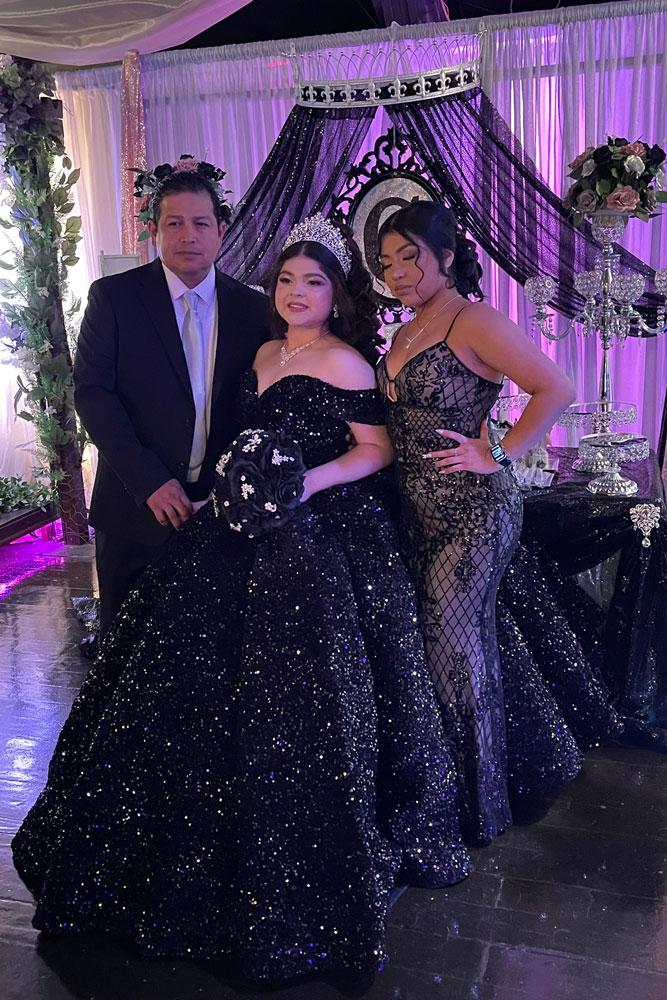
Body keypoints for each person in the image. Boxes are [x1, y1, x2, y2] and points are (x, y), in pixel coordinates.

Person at [12, 215, 470, 980]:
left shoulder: (348, 363)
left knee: (298, 685)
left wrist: (300, 487)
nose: (297, 293)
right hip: (239, 523)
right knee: (185, 666)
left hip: (318, 531)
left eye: (314, 281)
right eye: (287, 280)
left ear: (336, 293)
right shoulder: (262, 352)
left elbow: (375, 450)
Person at [376, 200, 619, 843]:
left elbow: (557, 387)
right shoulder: (405, 330)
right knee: (437, 652)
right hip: (416, 511)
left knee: (457, 647)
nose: (398, 273)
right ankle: (444, 791)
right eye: (387, 262)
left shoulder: (472, 319)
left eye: (410, 257)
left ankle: (477, 807)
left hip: (474, 510)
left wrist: (498, 450)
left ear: (446, 258)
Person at [73, 161, 270, 637]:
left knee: (211, 657)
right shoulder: (113, 298)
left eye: (201, 223)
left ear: (221, 231)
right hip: (134, 512)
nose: (188, 235)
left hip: (219, 514)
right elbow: (93, 395)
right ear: (154, 232)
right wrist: (149, 481)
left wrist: (230, 494)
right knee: (125, 662)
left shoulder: (255, 308)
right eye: (174, 223)